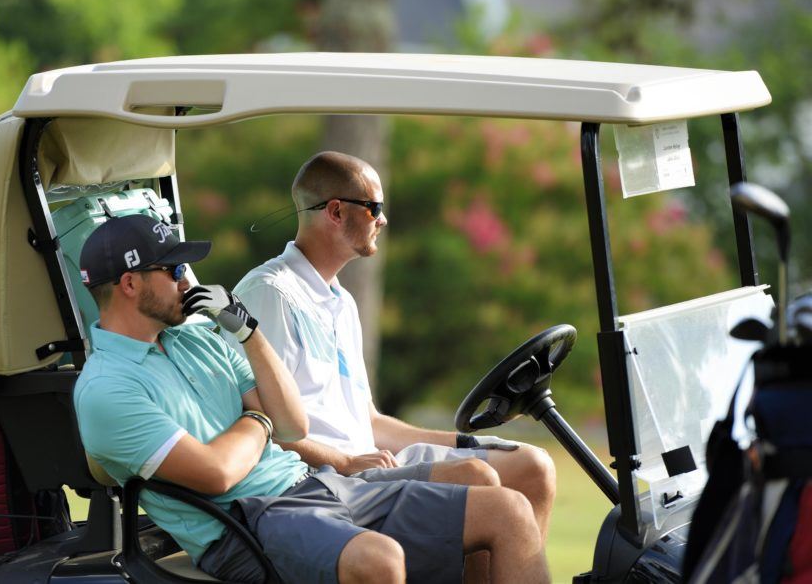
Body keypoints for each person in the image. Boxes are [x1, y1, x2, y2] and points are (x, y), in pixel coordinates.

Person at [74, 214, 550, 584]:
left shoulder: (198, 336)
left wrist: (248, 333)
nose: (187, 281)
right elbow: (217, 474)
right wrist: (258, 418)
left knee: (508, 512)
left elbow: (293, 427)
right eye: (174, 269)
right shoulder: (106, 388)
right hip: (246, 522)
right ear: (131, 284)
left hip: (310, 483)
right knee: (379, 560)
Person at [232, 151, 557, 538]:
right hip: (327, 480)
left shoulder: (341, 301)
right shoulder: (270, 293)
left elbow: (369, 422)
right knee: (476, 477)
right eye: (374, 208)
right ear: (335, 212)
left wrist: (463, 441)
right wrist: (347, 460)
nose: (383, 220)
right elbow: (262, 425)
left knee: (533, 465)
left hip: (370, 461)